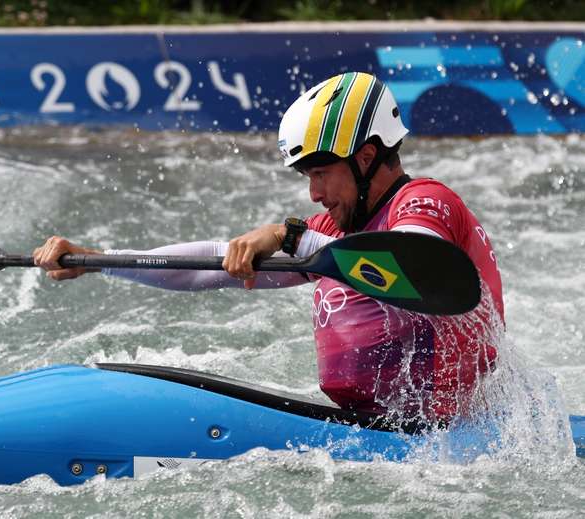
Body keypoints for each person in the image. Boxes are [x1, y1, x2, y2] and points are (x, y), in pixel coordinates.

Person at [34, 72, 504, 424]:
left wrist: (291, 234)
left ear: (366, 156)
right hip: (372, 427)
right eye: (308, 178)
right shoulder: (334, 231)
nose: (314, 194)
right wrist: (97, 261)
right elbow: (210, 266)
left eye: (320, 173)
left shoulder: (425, 203)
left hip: (446, 432)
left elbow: (418, 272)